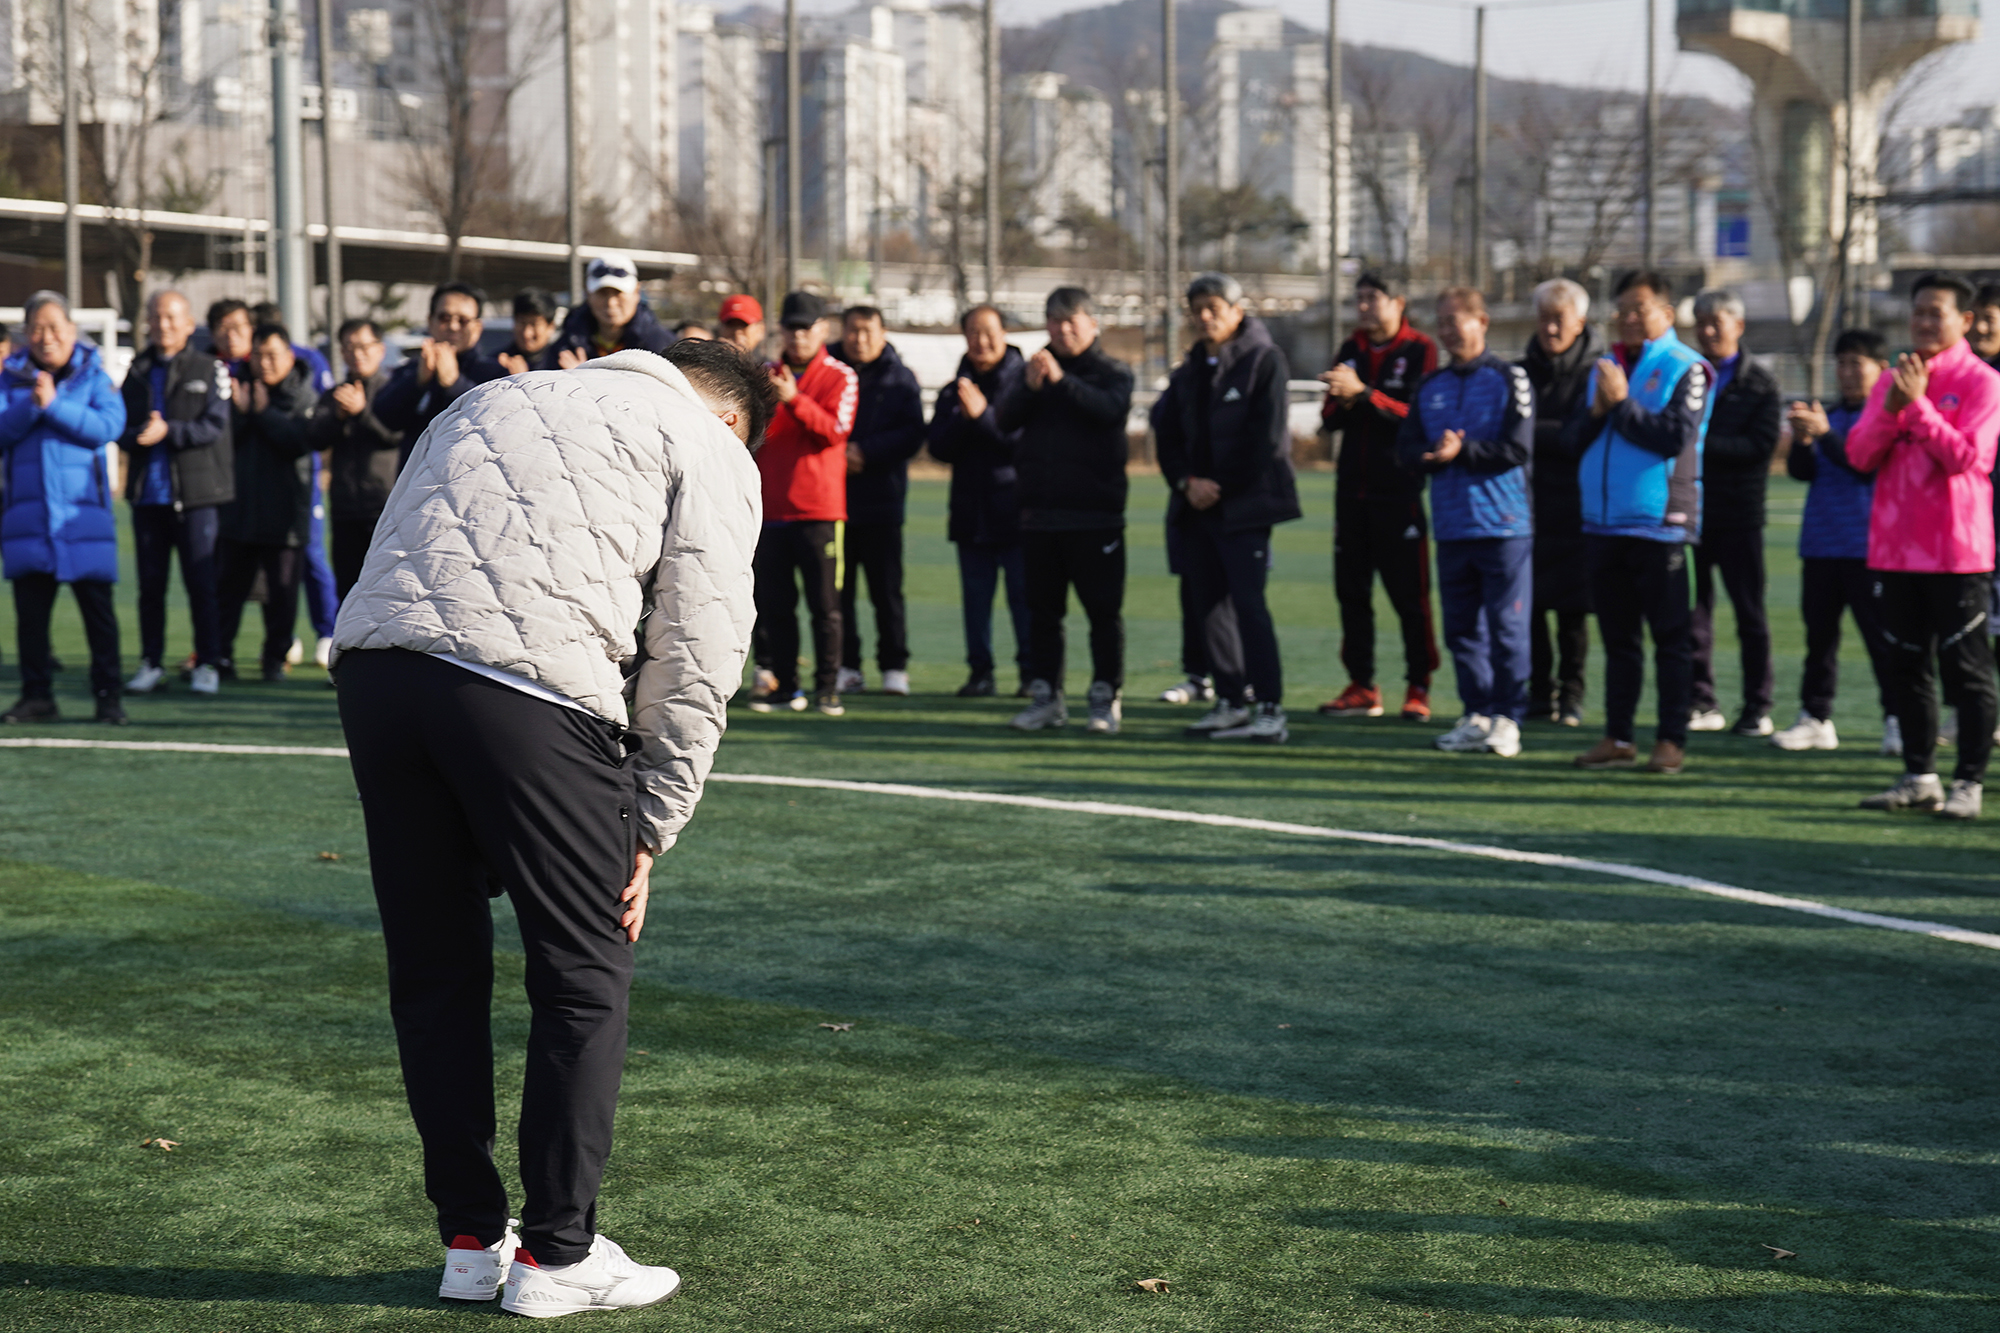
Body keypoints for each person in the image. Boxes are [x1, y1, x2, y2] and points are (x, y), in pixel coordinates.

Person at [330, 338, 769, 1318]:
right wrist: (647, 825)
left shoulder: (488, 397)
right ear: (733, 416)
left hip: (375, 669)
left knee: (435, 971)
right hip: (526, 688)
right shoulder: (706, 443)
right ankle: (559, 1252)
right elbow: (699, 647)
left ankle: (468, 1242)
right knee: (582, 970)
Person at [1851, 272, 2000, 820]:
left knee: (1966, 670)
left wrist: (1916, 408)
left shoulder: (1984, 382)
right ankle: (1920, 775)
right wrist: (1893, 407)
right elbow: (1860, 454)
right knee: (1907, 667)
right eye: (1917, 312)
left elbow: (1968, 458)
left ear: (1964, 320)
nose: (1923, 322)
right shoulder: (1891, 381)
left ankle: (1969, 783)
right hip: (1894, 550)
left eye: (1935, 312)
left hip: (1956, 553)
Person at [1569, 270, 1713, 776]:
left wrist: (1622, 402)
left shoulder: (1686, 367)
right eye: (1622, 308)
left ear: (1667, 315)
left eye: (1640, 308)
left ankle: (1671, 739)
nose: (1629, 318)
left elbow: (1673, 437)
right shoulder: (1603, 367)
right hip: (1603, 524)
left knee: (1671, 640)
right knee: (1619, 641)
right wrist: (1597, 410)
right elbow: (1576, 437)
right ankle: (1619, 735)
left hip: (1660, 524)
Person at [1149, 272, 1301, 743]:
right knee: (1208, 606)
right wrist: (1185, 483)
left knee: (1248, 606)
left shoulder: (1264, 361)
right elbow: (1167, 434)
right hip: (1196, 507)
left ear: (1238, 311)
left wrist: (1219, 485)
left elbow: (1265, 439)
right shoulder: (1189, 369)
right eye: (1198, 309)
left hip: (1246, 507)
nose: (1205, 317)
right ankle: (1230, 701)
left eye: (1215, 307)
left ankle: (1270, 707)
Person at [1397, 287, 1536, 758]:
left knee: (1506, 628)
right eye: (1441, 321)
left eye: (1456, 319)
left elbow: (1519, 449)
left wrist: (1465, 452)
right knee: (1460, 631)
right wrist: (1431, 457)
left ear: (1483, 321)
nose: (1448, 329)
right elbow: (1406, 450)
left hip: (1503, 525)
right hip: (1452, 526)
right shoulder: (1430, 386)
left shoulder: (1508, 377)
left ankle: (1508, 717)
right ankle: (1476, 714)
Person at [999, 287, 1136, 735]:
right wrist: (1031, 388)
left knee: (1102, 612)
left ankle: (1104, 697)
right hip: (1039, 514)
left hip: (1096, 515)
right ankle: (1047, 697)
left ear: (1092, 324)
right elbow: (1003, 420)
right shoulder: (1032, 371)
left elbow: (1109, 410)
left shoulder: (1112, 371)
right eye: (1054, 321)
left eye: (1071, 320)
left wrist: (1061, 382)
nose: (1062, 329)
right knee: (1043, 612)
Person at [0, 291, 128, 724]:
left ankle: (108, 696)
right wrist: (31, 404)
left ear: (72, 331)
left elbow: (108, 427)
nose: (46, 336)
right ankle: (37, 696)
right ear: (25, 334)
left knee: (99, 616)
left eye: (55, 326)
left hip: (83, 518)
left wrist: (53, 405)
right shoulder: (10, 378)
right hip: (28, 521)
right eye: (36, 327)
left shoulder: (95, 376)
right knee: (31, 619)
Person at [1318, 272, 1440, 721]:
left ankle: (1418, 686)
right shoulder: (1350, 349)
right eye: (1359, 298)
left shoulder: (1419, 349)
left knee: (1411, 596)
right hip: (1351, 492)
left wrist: (1364, 394)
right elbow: (1329, 418)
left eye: (1374, 298)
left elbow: (1417, 415)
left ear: (1398, 303)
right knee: (1351, 592)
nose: (1365, 306)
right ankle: (1361, 685)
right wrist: (1345, 399)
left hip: (1399, 492)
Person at [1771, 329, 1897, 753]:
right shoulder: (1833, 414)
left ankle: (1897, 717)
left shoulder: (1888, 416)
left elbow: (1864, 468)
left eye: (1854, 363)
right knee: (1819, 641)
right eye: (1840, 363)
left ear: (1882, 369)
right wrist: (1804, 442)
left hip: (1869, 548)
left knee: (1883, 641)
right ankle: (1816, 717)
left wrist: (1824, 434)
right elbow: (1804, 473)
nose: (1844, 372)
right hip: (1821, 543)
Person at [118, 290, 233, 698]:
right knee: (150, 587)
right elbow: (121, 429)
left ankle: (208, 663)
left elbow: (214, 426)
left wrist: (171, 432)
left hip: (197, 496)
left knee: (201, 584)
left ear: (188, 324)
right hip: (148, 498)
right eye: (156, 316)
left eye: (171, 317)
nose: (162, 324)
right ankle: (150, 662)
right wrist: (138, 435)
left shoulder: (210, 367)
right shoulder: (135, 370)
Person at [749, 291, 857, 716]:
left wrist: (795, 400)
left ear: (823, 330)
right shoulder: (762, 376)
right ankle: (786, 687)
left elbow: (835, 431)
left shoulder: (840, 375)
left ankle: (828, 687)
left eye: (806, 327)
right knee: (777, 606)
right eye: (791, 327)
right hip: (772, 509)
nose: (798, 336)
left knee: (825, 606)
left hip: (820, 511)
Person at [1686, 289, 1783, 737]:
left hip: (1739, 514)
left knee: (1750, 616)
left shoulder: (1759, 382)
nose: (1707, 331)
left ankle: (1757, 706)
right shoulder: (1687, 375)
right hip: (1691, 513)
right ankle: (1701, 701)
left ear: (1738, 326)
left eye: (1716, 322)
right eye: (1701, 322)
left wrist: (1698, 448)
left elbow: (1759, 448)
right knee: (1693, 614)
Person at [927, 304, 1031, 698]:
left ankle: (1030, 674)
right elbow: (938, 446)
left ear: (1005, 333)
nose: (981, 341)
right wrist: (963, 417)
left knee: (1024, 599)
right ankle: (980, 673)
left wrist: (983, 416)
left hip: (1018, 511)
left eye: (989, 332)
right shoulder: (958, 385)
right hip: (971, 512)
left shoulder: (1025, 384)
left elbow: (1022, 445)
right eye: (973, 332)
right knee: (976, 602)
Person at [830, 305, 925, 697]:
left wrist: (864, 452)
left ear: (883, 333)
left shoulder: (900, 377)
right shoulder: (831, 370)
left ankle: (894, 666)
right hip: (833, 501)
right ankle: (847, 666)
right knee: (840, 591)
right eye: (853, 330)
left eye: (868, 330)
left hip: (882, 499)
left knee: (886, 590)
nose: (859, 338)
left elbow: (912, 433)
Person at [216, 323, 317, 681]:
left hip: (286, 511)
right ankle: (219, 657)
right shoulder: (236, 387)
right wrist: (243, 411)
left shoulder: (303, 393)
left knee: (282, 595)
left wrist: (261, 413)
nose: (265, 363)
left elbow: (298, 442)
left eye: (273, 355)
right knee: (227, 590)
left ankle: (275, 658)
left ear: (290, 357)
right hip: (238, 508)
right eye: (257, 355)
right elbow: (222, 439)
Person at [1520, 277, 1599, 727]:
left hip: (1577, 505)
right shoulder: (1518, 370)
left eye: (1559, 319)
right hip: (1526, 504)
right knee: (1528, 607)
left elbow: (1580, 437)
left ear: (1580, 322)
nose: (1550, 329)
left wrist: (1530, 434)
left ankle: (1571, 695)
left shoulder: (1598, 371)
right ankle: (1537, 694)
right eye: (1544, 318)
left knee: (1573, 612)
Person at [310, 319, 404, 599]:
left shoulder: (394, 390)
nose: (356, 354)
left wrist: (362, 412)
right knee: (349, 594)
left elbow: (394, 435)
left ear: (380, 349)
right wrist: (339, 417)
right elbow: (314, 438)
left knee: (388, 592)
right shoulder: (335, 395)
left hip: (385, 508)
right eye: (349, 347)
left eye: (363, 346)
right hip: (345, 508)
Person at [375, 283, 507, 441]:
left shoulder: (496, 374)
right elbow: (385, 419)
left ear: (478, 327)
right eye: (444, 318)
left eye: (463, 320)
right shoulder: (411, 370)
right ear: (430, 321)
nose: (453, 326)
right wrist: (418, 382)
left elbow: (495, 423)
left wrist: (455, 384)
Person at [552, 253, 673, 365]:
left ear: (637, 292)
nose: (611, 302)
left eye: (618, 293)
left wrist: (582, 378)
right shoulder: (566, 346)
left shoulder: (663, 346)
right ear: (588, 294)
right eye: (602, 293)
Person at [497, 288, 562, 374]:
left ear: (550, 327)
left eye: (534, 324)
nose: (527, 333)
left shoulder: (561, 366)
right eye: (522, 323)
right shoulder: (496, 363)